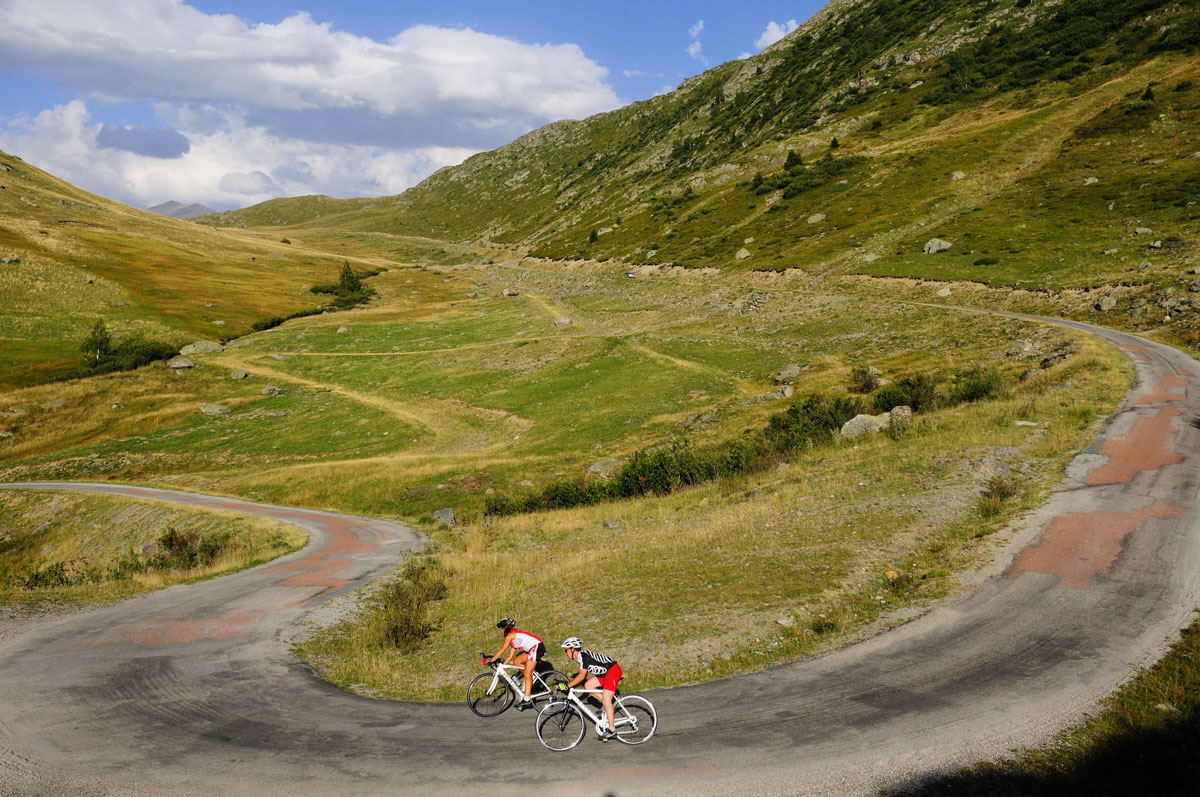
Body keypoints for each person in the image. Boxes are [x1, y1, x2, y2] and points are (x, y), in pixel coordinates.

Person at [560, 637, 621, 739]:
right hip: (605, 674)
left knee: (606, 699)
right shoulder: (581, 658)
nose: (565, 653)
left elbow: (581, 676)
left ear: (573, 649)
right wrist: (569, 685)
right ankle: (607, 706)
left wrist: (567, 686)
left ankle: (612, 729)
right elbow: (581, 678)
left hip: (612, 671)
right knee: (588, 686)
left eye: (566, 650)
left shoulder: (584, 657)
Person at [487, 618, 545, 709]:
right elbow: (510, 656)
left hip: (537, 646)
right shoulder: (513, 638)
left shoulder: (510, 636)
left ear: (504, 628)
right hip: (532, 649)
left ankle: (527, 699)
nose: (500, 632)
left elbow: (502, 650)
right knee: (516, 661)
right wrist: (501, 666)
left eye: (500, 629)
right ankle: (531, 676)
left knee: (527, 673)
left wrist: (491, 660)